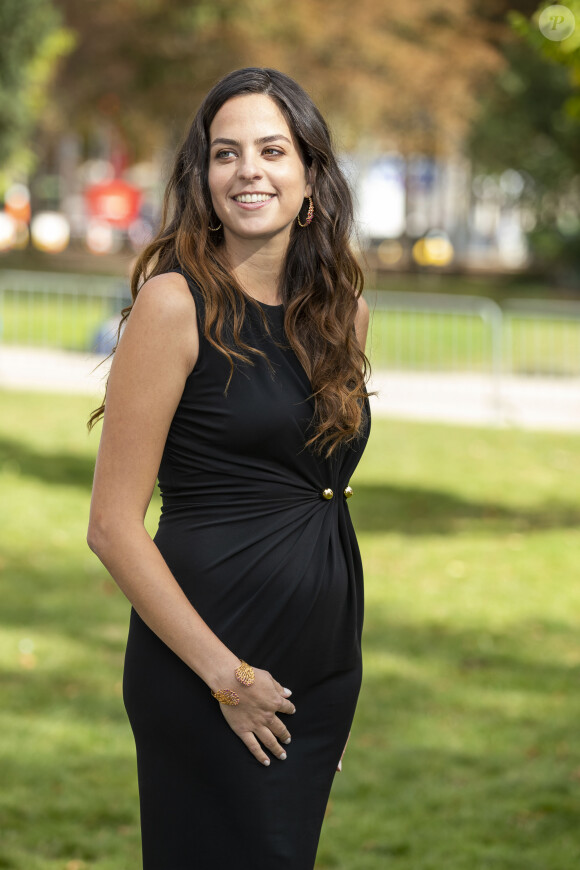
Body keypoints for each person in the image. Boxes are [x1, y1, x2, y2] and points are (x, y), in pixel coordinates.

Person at [87, 66, 371, 870]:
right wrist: (229, 678)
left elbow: (318, 497)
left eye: (273, 150)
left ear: (310, 178)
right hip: (209, 670)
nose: (249, 170)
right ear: (203, 179)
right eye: (226, 153)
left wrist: (323, 682)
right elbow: (112, 527)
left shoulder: (342, 312)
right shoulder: (175, 306)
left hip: (311, 678)